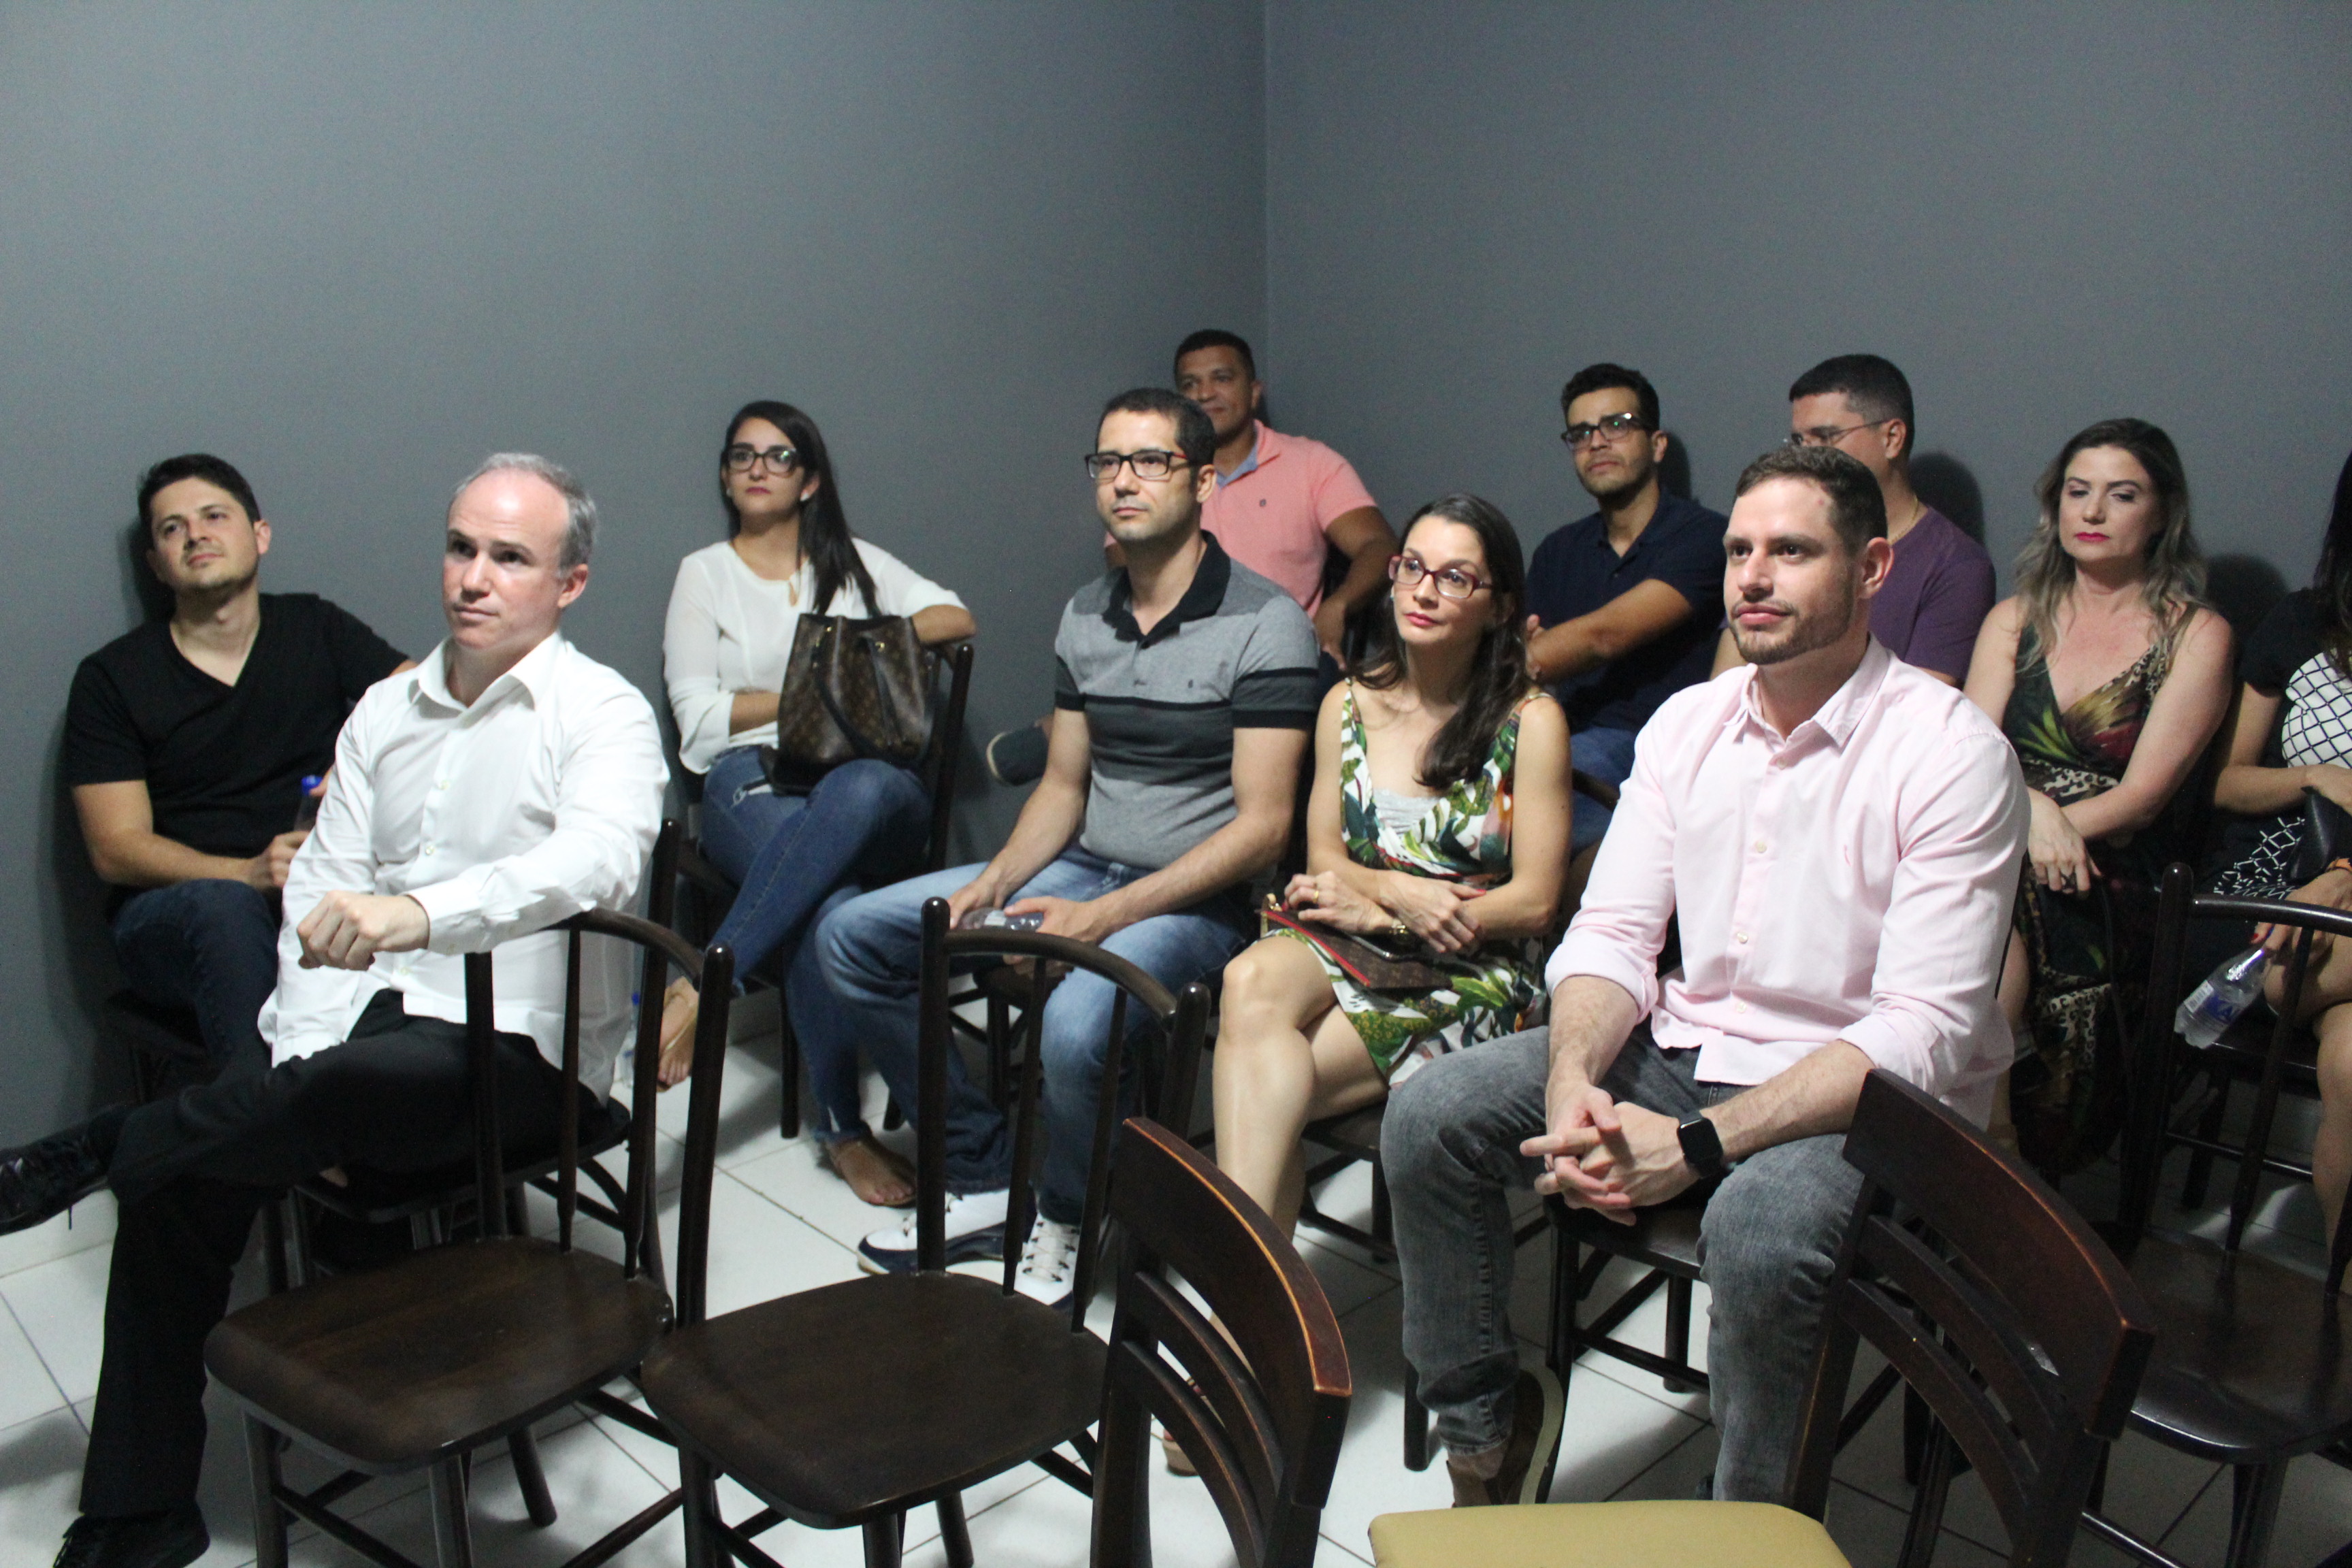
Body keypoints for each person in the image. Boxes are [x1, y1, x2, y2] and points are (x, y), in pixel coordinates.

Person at [0, 455, 668, 1568]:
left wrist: (417, 916)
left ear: (570, 583)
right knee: (191, 1171)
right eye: (461, 547)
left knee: (325, 1090)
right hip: (368, 1036)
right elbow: (318, 890)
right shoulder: (384, 711)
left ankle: (90, 1152)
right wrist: (295, 1070)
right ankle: (136, 1510)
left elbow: (593, 861)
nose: (474, 577)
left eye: (511, 557)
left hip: (526, 1050)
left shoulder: (601, 712)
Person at [1384, 444, 2026, 1509]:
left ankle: (1751, 1527)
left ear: (1872, 569)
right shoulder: (1693, 722)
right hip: (1694, 1044)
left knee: (1761, 1232)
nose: (1753, 578)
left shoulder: (1950, 750)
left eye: (1792, 552)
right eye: (1738, 551)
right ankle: (1485, 1446)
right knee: (1430, 1115)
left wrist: (1691, 1148)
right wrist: (1571, 1087)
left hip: (1865, 1092)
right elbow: (1612, 933)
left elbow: (1924, 1032)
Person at [813, 387, 1316, 1306]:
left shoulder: (1265, 622)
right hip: (1084, 866)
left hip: (1197, 903)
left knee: (1078, 1027)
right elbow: (1062, 786)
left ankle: (1075, 1213)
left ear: (1204, 481)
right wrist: (999, 881)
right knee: (855, 936)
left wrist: (1104, 917)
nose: (1124, 481)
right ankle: (983, 1171)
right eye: (1108, 461)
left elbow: (1262, 832)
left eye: (1152, 461)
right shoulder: (1086, 613)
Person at [1213, 493, 1569, 1233]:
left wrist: (1386, 913)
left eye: (1455, 578)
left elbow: (1537, 902)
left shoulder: (1530, 721)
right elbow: (1323, 856)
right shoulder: (1345, 703)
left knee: (1264, 1086)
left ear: (1499, 607)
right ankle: (1258, 1281)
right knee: (1248, 979)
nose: (1424, 591)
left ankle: (1245, 1283)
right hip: (1352, 934)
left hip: (1470, 965)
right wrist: (1394, 900)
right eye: (1411, 567)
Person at [662, 400, 977, 1205]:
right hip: (752, 779)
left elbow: (954, 615)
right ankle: (842, 1132)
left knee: (859, 786)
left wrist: (842, 665)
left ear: (808, 480)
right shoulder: (705, 574)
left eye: (778, 456)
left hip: (869, 782)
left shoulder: (853, 563)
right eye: (742, 456)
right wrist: (823, 693)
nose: (757, 468)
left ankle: (706, 979)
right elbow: (698, 720)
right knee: (824, 898)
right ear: (726, 477)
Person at [63, 455, 409, 1078]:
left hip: (320, 886)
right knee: (224, 911)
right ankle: (272, 1124)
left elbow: (423, 704)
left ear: (260, 535)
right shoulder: (112, 678)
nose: (195, 535)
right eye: (172, 528)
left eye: (214, 516)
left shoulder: (315, 627)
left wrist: (357, 769)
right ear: (156, 565)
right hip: (179, 915)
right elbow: (115, 848)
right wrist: (245, 874)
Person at [1964, 419, 2231, 1171]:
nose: (2092, 511)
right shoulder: (2014, 619)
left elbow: (2142, 798)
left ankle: (1984, 1134)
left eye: (2122, 495)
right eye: (2078, 492)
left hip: (2112, 866)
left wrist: (2045, 829)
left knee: (1986, 893)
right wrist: (2032, 815)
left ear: (2162, 513)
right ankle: (1988, 1128)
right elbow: (1969, 759)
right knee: (1978, 883)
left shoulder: (2196, 635)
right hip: (2000, 829)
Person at [985, 330, 1393, 785]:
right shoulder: (1148, 475)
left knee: (1305, 682)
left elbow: (1378, 547)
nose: (1204, 393)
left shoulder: (1311, 464)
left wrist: (1337, 607)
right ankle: (1073, 737)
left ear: (1253, 391)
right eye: (1190, 384)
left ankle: (1060, 734)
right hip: (1175, 639)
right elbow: (1126, 563)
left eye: (1222, 378)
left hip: (1277, 649)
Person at [2198, 451, 2352, 1244]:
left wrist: (2342, 880)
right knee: (2296, 963)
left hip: (2326, 912)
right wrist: (2318, 777)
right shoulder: (2301, 625)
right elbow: (2227, 783)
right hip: (2274, 885)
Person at [1523, 364, 1726, 853]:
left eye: (1616, 425)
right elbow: (1534, 652)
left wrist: (1508, 663)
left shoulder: (1705, 536)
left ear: (1657, 445)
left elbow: (1605, 636)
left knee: (1551, 783)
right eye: (1580, 433)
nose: (1596, 442)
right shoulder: (1559, 550)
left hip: (1660, 746)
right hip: (1565, 735)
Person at [1716, 353, 1996, 685]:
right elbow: (1725, 686)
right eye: (1799, 441)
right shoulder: (1767, 539)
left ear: (1892, 438)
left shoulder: (1955, 565)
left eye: (1826, 436)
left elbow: (1923, 706)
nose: (1807, 455)